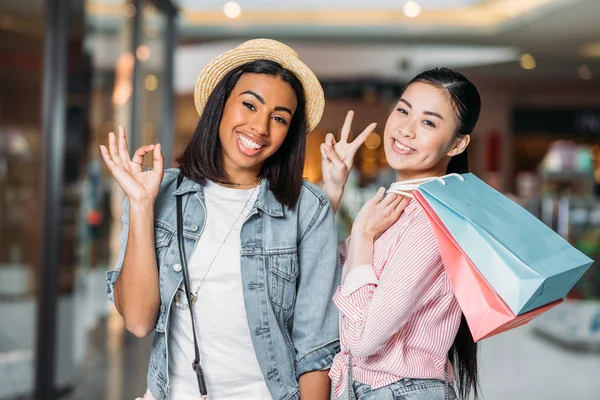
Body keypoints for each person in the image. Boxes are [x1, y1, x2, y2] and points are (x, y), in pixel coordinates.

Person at [101, 39, 340, 400]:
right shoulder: (157, 193)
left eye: (278, 118)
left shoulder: (307, 208)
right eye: (249, 105)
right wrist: (140, 204)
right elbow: (137, 320)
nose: (260, 127)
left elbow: (315, 351)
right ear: (221, 105)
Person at [321, 67, 481, 399]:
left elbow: (362, 340)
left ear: (457, 144)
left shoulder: (432, 220)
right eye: (403, 110)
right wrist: (333, 189)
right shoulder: (397, 208)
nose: (405, 129)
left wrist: (364, 236)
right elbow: (318, 273)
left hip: (399, 390)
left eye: (428, 122)